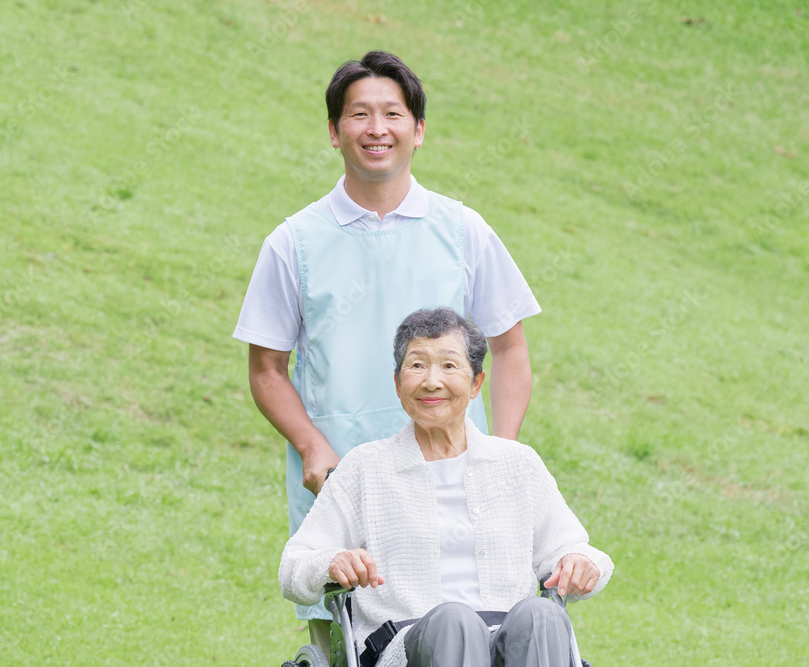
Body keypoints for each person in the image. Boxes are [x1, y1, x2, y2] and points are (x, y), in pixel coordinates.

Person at [234, 51, 542, 634]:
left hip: (454, 477)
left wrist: (500, 453)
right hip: (340, 482)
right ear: (334, 131)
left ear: (418, 130)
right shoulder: (293, 243)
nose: (377, 129)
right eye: (359, 115)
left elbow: (511, 349)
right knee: (347, 642)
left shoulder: (462, 230)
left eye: (393, 114)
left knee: (466, 634)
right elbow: (267, 369)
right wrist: (311, 447)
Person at [279, 308, 614, 667]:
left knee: (542, 615)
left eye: (449, 366)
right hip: (406, 645)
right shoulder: (365, 468)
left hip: (510, 644)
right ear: (397, 383)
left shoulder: (518, 464)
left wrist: (581, 563)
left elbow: (574, 550)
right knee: (455, 621)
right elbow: (293, 566)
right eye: (417, 366)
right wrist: (332, 562)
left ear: (476, 384)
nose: (431, 381)